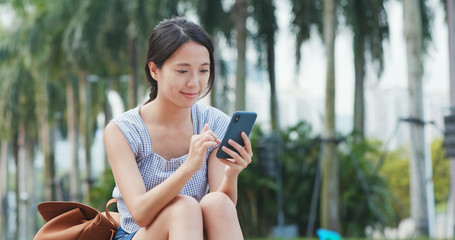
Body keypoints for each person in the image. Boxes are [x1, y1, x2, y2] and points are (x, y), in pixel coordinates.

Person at [104, 17, 253, 240]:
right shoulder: (123, 131)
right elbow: (140, 214)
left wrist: (231, 175)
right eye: (183, 71)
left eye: (203, 70)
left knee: (217, 202)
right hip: (138, 233)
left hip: (193, 232)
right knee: (184, 208)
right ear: (154, 70)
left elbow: (223, 211)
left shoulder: (214, 122)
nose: (195, 83)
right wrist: (188, 167)